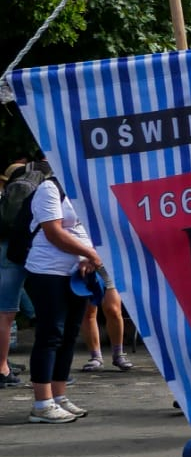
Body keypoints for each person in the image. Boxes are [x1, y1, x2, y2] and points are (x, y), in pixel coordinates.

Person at [22, 163, 104, 425]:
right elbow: (54, 232)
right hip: (48, 272)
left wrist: (87, 256)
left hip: (76, 272)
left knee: (69, 334)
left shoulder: (83, 191)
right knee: (50, 334)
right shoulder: (49, 188)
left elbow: (86, 230)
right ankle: (42, 403)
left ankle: (58, 396)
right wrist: (90, 254)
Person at [0, 157, 36, 389]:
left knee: (5, 312)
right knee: (6, 314)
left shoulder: (7, 197)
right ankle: (2, 368)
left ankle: (3, 364)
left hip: (5, 251)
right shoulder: (29, 192)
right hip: (12, 253)